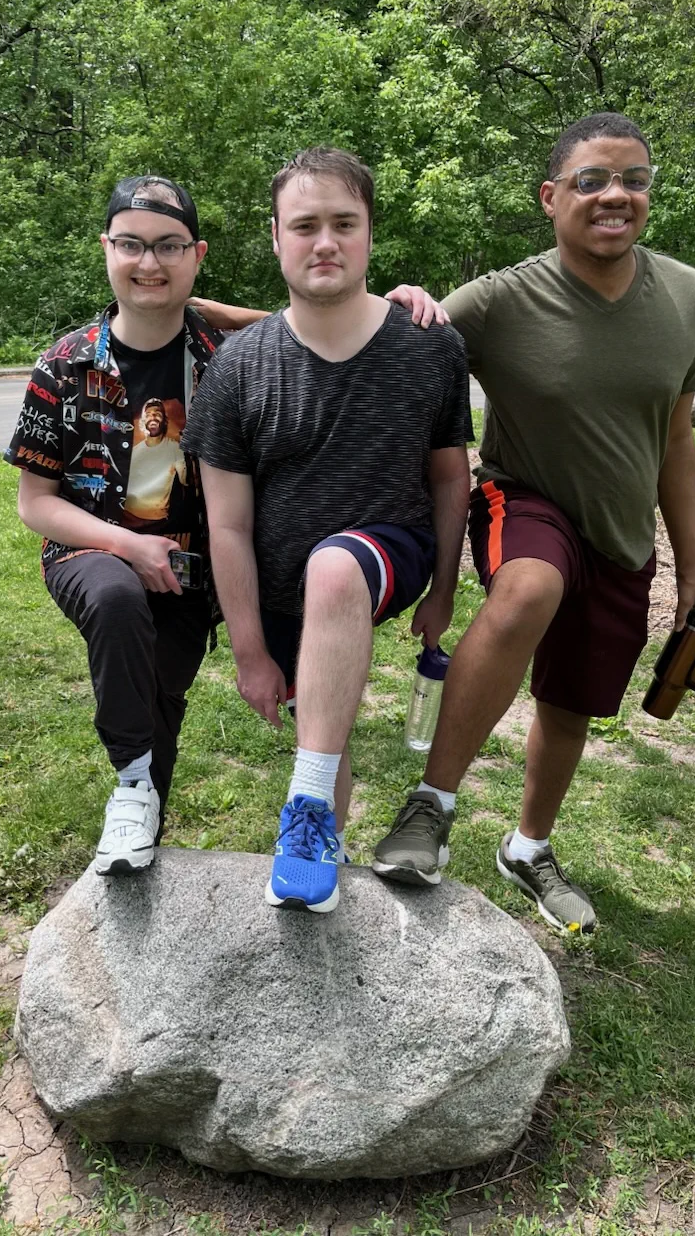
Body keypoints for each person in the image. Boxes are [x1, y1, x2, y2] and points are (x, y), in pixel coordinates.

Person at [377, 112, 695, 932]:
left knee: (572, 704)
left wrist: (694, 570)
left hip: (623, 536)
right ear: (551, 197)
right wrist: (197, 311)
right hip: (522, 499)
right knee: (528, 588)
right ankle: (429, 808)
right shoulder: (503, 299)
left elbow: (676, 436)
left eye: (634, 180)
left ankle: (528, 849)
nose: (616, 195)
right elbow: (354, 338)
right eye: (593, 180)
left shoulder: (691, 295)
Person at [185, 146, 472, 913]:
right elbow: (229, 524)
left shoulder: (428, 344)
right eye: (305, 225)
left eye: (344, 223)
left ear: (371, 234)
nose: (325, 242)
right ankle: (318, 853)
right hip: (279, 585)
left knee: (337, 568)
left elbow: (451, 478)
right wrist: (248, 649)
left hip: (386, 552)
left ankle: (303, 804)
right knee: (325, 727)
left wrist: (443, 591)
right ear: (275, 237)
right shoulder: (238, 367)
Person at [4, 175, 227, 875]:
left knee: (161, 697)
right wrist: (125, 544)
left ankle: (139, 821)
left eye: (168, 247)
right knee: (116, 596)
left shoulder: (225, 362)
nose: (148, 263)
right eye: (131, 244)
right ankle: (133, 787)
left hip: (192, 571)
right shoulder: (64, 365)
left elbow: (301, 320)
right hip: (86, 553)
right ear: (107, 248)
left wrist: (387, 302)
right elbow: (34, 502)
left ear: (196, 254)